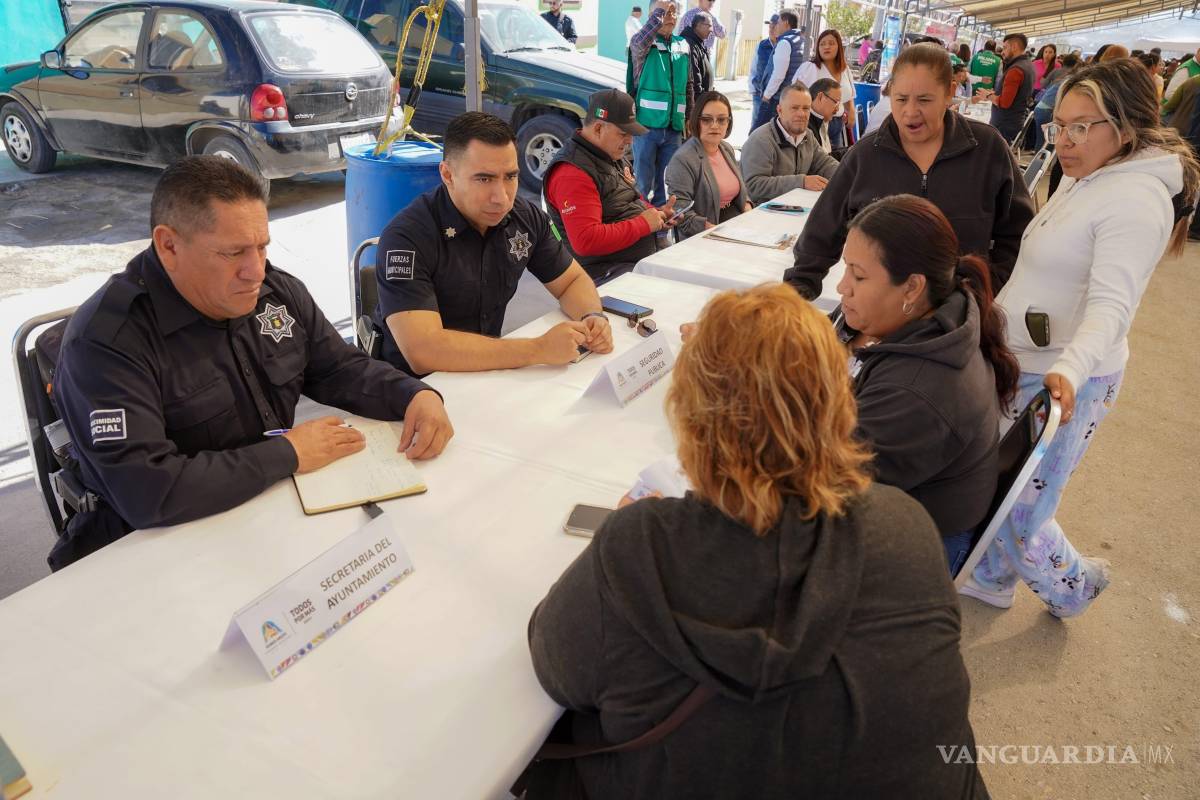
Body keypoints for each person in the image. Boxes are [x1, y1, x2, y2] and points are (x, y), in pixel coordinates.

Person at [526, 284, 988, 800]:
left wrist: (620, 544)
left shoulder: (639, 548)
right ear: (839, 406)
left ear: (693, 419)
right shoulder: (903, 524)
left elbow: (555, 668)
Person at [49, 156, 454, 569]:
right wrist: (287, 454)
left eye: (261, 247)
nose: (255, 271)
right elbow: (148, 490)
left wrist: (412, 393)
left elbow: (337, 368)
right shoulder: (106, 344)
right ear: (169, 245)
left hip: (265, 509)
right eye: (233, 252)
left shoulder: (274, 291)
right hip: (152, 551)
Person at [963, 59, 1200, 618]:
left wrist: (1069, 369)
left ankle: (1075, 587)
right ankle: (993, 579)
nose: (1064, 140)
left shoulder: (1135, 200)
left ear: (1125, 126)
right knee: (1006, 483)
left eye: (1080, 126)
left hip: (1070, 379)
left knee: (1026, 511)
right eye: (1060, 124)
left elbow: (1112, 306)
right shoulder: (1088, 174)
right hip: (1028, 362)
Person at [834, 195, 1018, 572]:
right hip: (911, 505)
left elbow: (818, 482)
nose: (842, 287)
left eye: (859, 275)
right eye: (845, 269)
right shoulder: (943, 306)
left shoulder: (917, 390)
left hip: (917, 550)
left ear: (912, 288)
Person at [786, 43, 1034, 299]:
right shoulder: (864, 157)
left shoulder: (988, 150)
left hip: (961, 322)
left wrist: (982, 291)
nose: (910, 112)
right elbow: (820, 235)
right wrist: (798, 292)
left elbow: (1021, 235)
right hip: (879, 318)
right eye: (901, 99)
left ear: (950, 92)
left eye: (925, 100)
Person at [373, 113, 613, 376]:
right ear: (448, 174)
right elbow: (424, 351)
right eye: (484, 179)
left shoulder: (525, 218)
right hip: (412, 388)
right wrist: (537, 349)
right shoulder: (407, 237)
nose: (501, 197)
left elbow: (570, 281)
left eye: (510, 177)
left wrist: (592, 316)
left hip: (487, 370)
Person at [543, 89, 678, 282]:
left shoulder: (609, 154)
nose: (630, 141)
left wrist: (657, 214)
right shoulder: (572, 173)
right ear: (598, 128)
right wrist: (643, 224)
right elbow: (586, 240)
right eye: (623, 133)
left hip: (637, 260)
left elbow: (627, 200)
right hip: (605, 273)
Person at [629, 1, 692, 205]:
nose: (669, 16)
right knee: (642, 185)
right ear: (652, 16)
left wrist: (689, 117)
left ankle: (662, 231)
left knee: (667, 186)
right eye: (664, 13)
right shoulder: (643, 43)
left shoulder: (682, 44)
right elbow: (639, 42)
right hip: (646, 127)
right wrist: (659, 14)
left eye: (673, 12)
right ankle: (640, 228)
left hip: (673, 129)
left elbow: (688, 84)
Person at [664, 91, 750, 239]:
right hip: (705, 234)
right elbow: (680, 214)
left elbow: (741, 193)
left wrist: (748, 211)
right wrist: (717, 232)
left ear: (728, 123)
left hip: (736, 225)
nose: (715, 126)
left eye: (722, 120)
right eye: (706, 119)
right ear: (696, 121)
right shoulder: (683, 160)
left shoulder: (726, 148)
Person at [740, 81, 839, 203]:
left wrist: (847, 174)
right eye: (794, 108)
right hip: (763, 213)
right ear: (779, 110)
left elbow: (825, 164)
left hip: (795, 207)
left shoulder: (808, 135)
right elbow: (754, 186)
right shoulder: (761, 140)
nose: (801, 114)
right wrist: (801, 182)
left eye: (806, 108)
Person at [795, 29, 857, 149]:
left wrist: (851, 112)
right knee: (818, 163)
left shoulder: (845, 70)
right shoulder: (810, 68)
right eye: (822, 44)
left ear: (839, 46)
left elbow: (849, 96)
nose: (826, 47)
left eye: (831, 43)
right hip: (815, 124)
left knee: (835, 162)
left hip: (837, 125)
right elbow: (795, 95)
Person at [753, 10, 806, 130]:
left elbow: (779, 75)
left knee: (757, 133)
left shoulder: (785, 42)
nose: (776, 25)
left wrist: (766, 96)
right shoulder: (801, 41)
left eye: (778, 22)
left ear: (786, 22)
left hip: (776, 98)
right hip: (788, 96)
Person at [982, 32, 1035, 143]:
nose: (1002, 52)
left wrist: (988, 95)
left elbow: (1005, 103)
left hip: (1004, 125)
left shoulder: (1016, 70)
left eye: (1005, 48)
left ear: (1014, 47)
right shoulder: (1028, 65)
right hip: (1015, 121)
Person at [748, 14, 780, 125]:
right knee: (756, 126)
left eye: (774, 26)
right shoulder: (762, 45)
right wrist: (753, 89)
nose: (771, 29)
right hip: (759, 95)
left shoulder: (784, 46)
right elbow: (754, 67)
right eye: (770, 26)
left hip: (776, 97)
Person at [680, 11, 715, 108]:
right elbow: (694, 78)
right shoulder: (690, 44)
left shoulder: (698, 43)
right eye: (709, 26)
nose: (711, 30)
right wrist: (701, 102)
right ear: (698, 25)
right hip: (697, 103)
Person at [806, 77, 843, 154]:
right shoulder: (806, 125)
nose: (837, 109)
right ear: (820, 97)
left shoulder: (820, 118)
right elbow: (819, 163)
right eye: (836, 102)